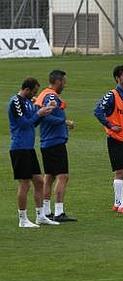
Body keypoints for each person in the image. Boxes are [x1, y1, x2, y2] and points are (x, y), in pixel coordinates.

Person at [7, 77, 58, 228]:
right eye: (34, 91)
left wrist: (46, 111)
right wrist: (39, 113)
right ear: (27, 89)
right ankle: (22, 219)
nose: (35, 94)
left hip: (28, 148)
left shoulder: (29, 103)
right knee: (24, 184)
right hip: (19, 148)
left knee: (39, 181)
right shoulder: (16, 102)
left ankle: (40, 216)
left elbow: (33, 123)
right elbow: (23, 124)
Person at [94, 65, 123, 214]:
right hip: (116, 139)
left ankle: (117, 202)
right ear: (117, 78)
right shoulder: (112, 95)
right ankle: (120, 204)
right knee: (120, 171)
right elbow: (98, 110)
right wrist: (110, 125)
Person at [34, 70, 77, 222]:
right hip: (54, 141)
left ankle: (46, 211)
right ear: (58, 82)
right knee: (62, 176)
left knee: (49, 177)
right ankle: (59, 212)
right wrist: (63, 122)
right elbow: (46, 115)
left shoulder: (45, 94)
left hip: (47, 142)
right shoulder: (51, 96)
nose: (65, 85)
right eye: (64, 82)